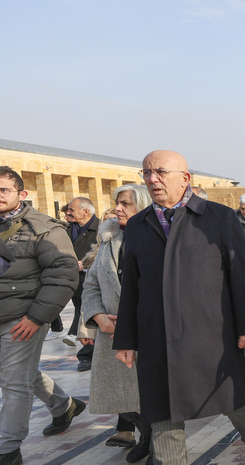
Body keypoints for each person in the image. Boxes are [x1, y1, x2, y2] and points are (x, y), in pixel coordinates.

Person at [113, 151, 245, 465]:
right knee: (161, 405)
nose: (152, 179)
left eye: (160, 172)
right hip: (157, 335)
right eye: (146, 173)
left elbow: (240, 276)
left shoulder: (219, 217)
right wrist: (127, 339)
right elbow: (131, 286)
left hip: (211, 334)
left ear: (185, 178)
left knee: (231, 398)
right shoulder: (139, 225)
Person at [0, 166, 83, 464]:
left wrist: (36, 318)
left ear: (21, 194)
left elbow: (63, 273)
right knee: (18, 374)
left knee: (14, 383)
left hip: (23, 318)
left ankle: (7, 450)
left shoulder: (44, 228)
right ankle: (64, 405)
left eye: (3, 190)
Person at [78, 184, 154, 463]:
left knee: (149, 395)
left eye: (125, 204)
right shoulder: (108, 239)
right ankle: (145, 435)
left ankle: (157, 442)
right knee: (121, 398)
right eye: (117, 202)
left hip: (146, 330)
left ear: (143, 206)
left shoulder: (157, 239)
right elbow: (92, 285)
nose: (117, 208)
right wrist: (97, 317)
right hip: (111, 333)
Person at [62, 197, 99, 372]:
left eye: (72, 210)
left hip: (92, 280)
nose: (68, 213)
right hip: (73, 281)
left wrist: (85, 264)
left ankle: (87, 354)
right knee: (80, 312)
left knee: (89, 315)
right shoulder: (66, 229)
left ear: (86, 212)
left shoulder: (100, 228)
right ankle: (86, 350)